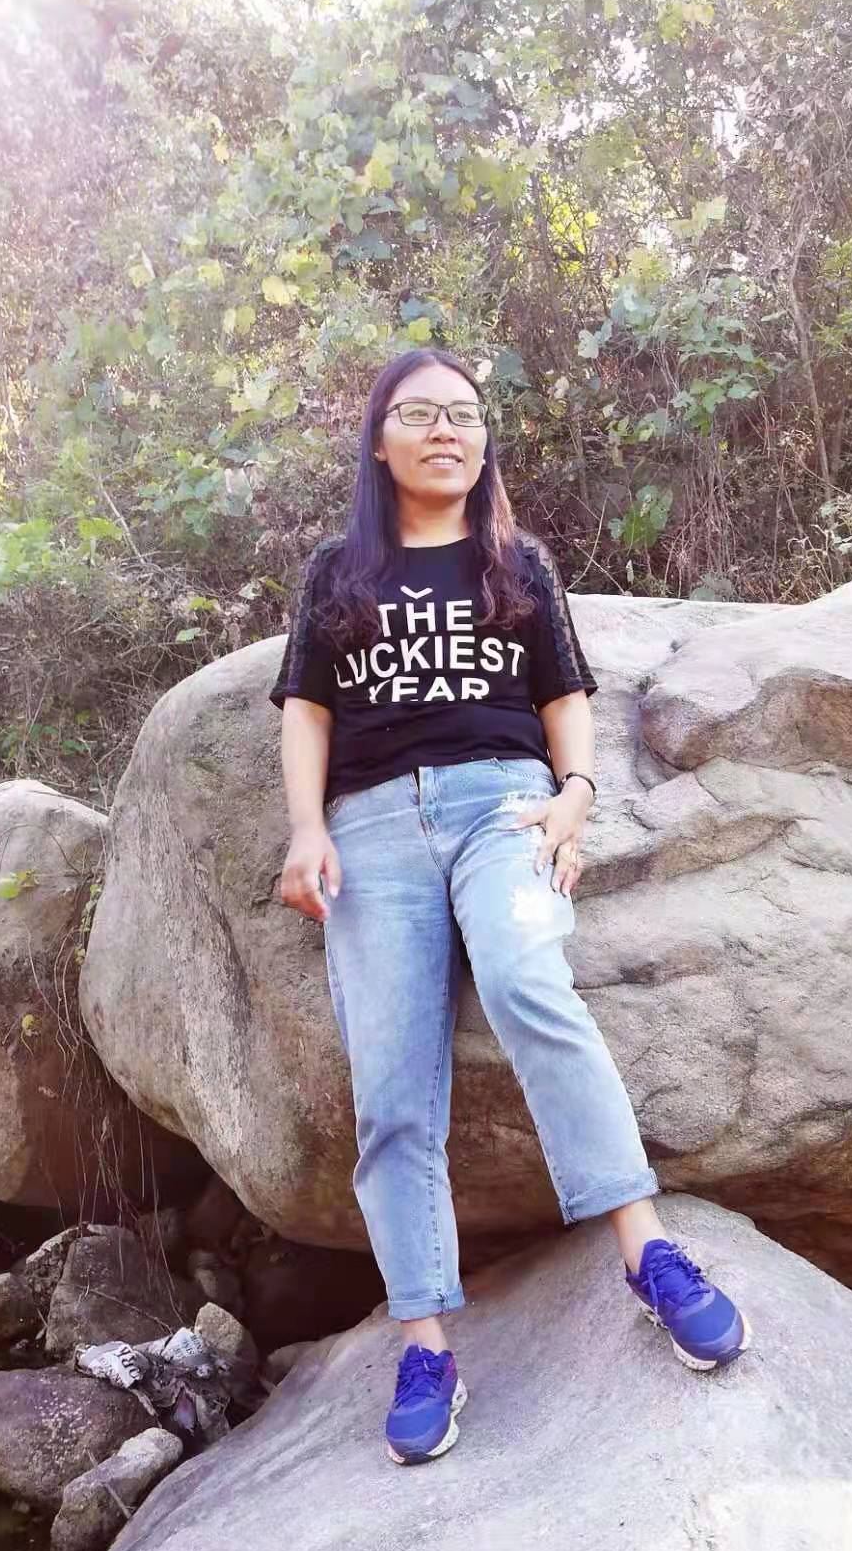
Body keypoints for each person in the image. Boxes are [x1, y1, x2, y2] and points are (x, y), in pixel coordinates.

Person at [268, 347, 749, 1465]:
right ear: (379, 440)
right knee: (391, 1086)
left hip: (504, 806)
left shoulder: (515, 561)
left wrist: (577, 795)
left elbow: (565, 696)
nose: (447, 430)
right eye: (420, 413)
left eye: (466, 414)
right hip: (373, 829)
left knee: (529, 976)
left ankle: (648, 1252)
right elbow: (307, 711)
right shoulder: (338, 570)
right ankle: (426, 1343)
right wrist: (306, 827)